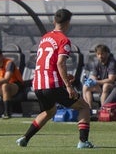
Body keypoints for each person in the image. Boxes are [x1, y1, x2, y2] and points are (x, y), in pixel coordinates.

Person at [16, 9, 93, 149]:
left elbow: (47, 62)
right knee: (84, 107)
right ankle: (83, 141)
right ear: (68, 23)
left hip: (38, 84)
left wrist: (61, 77)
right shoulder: (64, 40)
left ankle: (25, 138)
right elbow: (60, 63)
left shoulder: (44, 37)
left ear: (54, 21)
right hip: (52, 84)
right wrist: (69, 86)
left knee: (49, 112)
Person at [82, 44, 116, 110]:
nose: (100, 56)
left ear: (107, 53)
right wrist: (90, 80)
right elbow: (94, 76)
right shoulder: (96, 63)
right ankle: (88, 109)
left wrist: (96, 82)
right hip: (102, 85)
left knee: (106, 86)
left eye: (102, 54)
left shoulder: (112, 63)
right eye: (98, 54)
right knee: (86, 87)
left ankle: (103, 110)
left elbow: (111, 79)